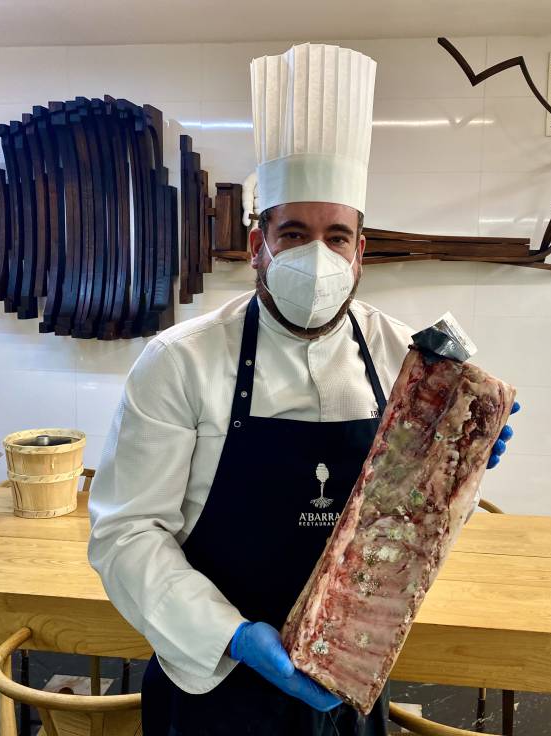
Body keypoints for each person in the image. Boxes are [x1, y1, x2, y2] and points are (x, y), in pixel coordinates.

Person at [88, 42, 518, 736]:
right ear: (258, 244)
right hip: (213, 687)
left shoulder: (401, 358)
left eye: (336, 236)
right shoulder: (181, 362)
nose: (317, 256)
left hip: (348, 672)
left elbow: (406, 529)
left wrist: (458, 470)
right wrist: (231, 636)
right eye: (294, 233)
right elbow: (126, 534)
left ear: (360, 251)